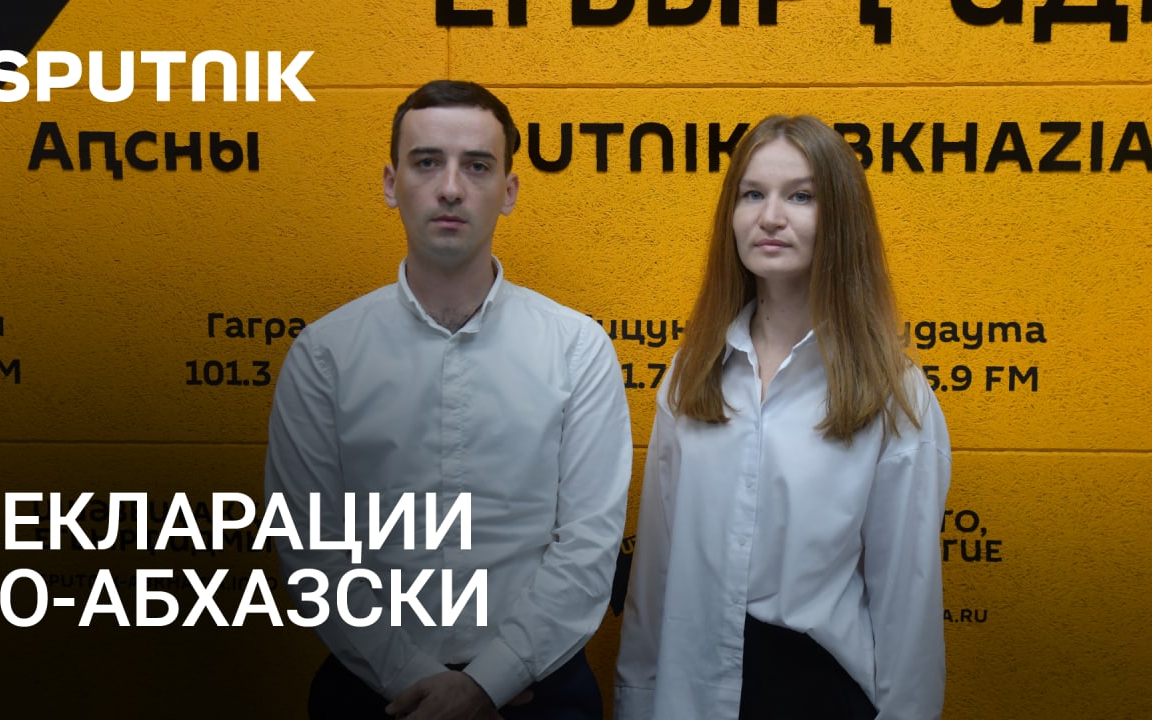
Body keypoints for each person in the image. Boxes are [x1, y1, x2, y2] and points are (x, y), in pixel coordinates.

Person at [264, 80, 632, 720]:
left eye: (477, 166)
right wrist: (417, 681)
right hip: (373, 691)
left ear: (509, 191)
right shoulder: (326, 355)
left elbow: (588, 544)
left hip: (540, 692)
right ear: (391, 183)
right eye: (427, 161)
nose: (452, 188)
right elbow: (312, 545)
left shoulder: (577, 349)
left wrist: (487, 682)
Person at [614, 114, 951, 720]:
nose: (770, 216)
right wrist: (637, 699)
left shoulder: (893, 394)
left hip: (817, 691)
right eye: (752, 194)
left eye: (800, 196)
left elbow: (908, 603)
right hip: (690, 694)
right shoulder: (691, 372)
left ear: (840, 218)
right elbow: (655, 573)